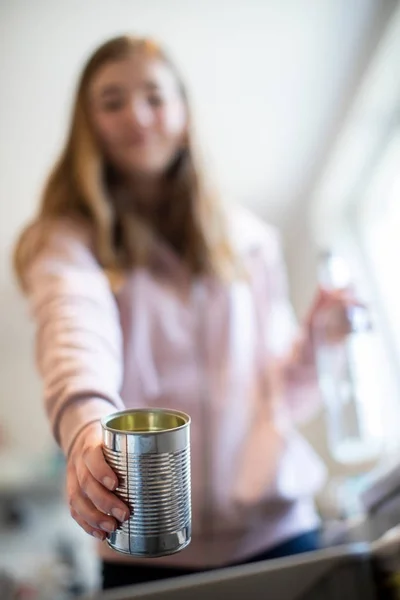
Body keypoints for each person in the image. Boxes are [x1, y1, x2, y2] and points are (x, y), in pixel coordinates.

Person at [14, 36, 350, 591]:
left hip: (280, 534)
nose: (138, 116)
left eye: (154, 96)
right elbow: (74, 330)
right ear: (86, 123)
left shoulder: (249, 242)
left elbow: (282, 399)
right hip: (144, 548)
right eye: (112, 101)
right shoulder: (67, 242)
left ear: (185, 110)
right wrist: (83, 430)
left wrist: (318, 345)